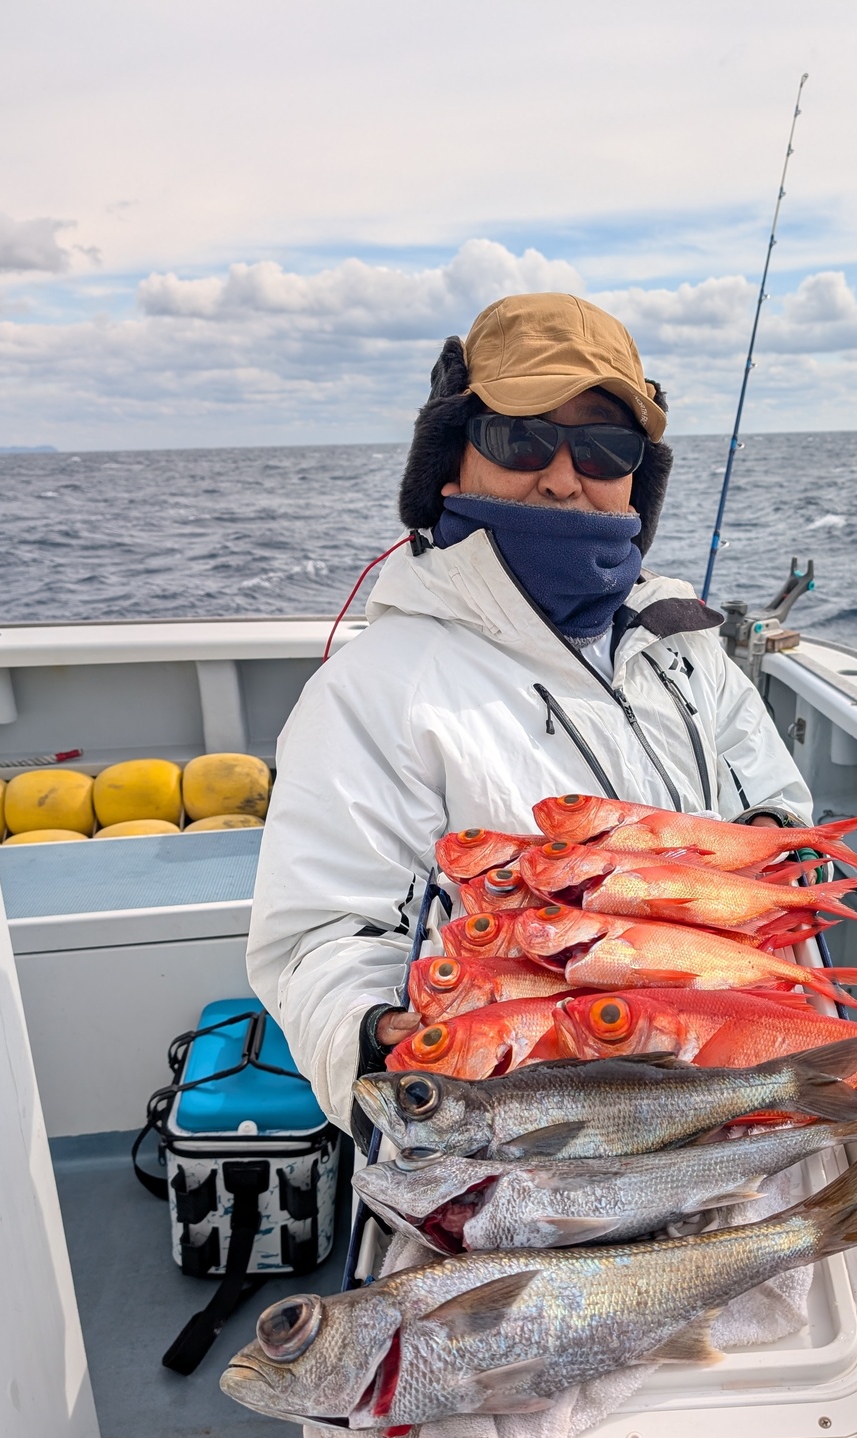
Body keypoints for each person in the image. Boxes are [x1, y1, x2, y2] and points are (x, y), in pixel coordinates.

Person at [247, 292, 812, 1127]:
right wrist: (370, 1036)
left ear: (636, 480)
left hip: (750, 1086)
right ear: (450, 465)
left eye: (605, 446)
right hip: (536, 1142)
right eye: (521, 437)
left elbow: (774, 806)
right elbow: (320, 942)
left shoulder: (684, 640)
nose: (561, 477)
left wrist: (773, 852)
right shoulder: (373, 690)